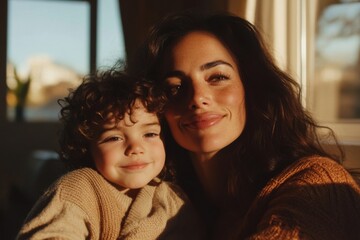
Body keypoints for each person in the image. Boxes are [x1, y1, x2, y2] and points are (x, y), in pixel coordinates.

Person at [127, 11, 360, 239]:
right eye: (175, 88)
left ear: (251, 88)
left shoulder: (318, 184)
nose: (197, 98)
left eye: (217, 77)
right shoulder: (166, 200)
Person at [16, 67, 204, 239]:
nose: (136, 148)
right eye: (114, 138)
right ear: (86, 146)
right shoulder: (77, 189)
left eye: (150, 134)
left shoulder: (172, 199)